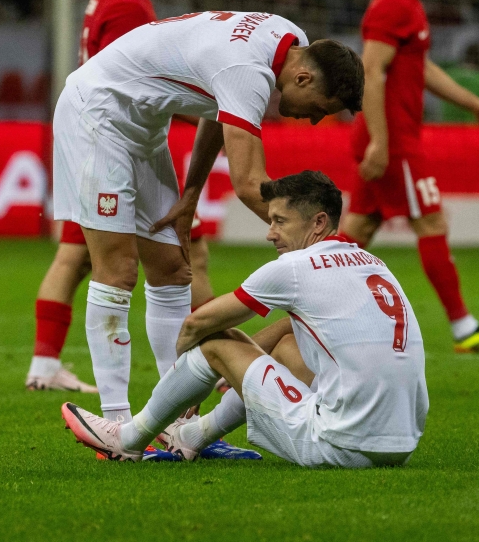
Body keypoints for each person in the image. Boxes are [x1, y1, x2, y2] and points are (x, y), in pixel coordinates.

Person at [53, 6, 364, 428]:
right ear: (303, 78)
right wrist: (320, 253)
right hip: (96, 116)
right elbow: (250, 183)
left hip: (141, 128)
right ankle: (117, 423)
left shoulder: (286, 37)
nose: (313, 119)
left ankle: (173, 420)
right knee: (119, 269)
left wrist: (191, 194)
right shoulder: (249, 69)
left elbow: (220, 108)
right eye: (319, 108)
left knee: (172, 269)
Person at [62, 171, 429, 468]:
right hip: (401, 444)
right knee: (288, 346)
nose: (270, 233)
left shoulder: (295, 268)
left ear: (318, 222)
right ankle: (190, 438)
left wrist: (190, 381)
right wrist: (238, 368)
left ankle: (128, 438)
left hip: (340, 445)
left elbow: (195, 325)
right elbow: (293, 326)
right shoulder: (370, 262)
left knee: (215, 342)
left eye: (280, 221)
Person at [27, 0, 220, 394]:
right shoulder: (130, 5)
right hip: (115, 146)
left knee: (79, 258)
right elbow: (133, 85)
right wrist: (208, 107)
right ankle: (206, 362)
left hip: (107, 142)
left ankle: (46, 362)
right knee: (181, 253)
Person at [338, 0, 479, 353]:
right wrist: (382, 142)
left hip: (388, 136)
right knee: (431, 221)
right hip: (394, 140)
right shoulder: (392, 5)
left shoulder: (408, 5)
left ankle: (303, 307)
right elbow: (372, 72)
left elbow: (421, 68)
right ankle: (464, 328)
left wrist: (474, 104)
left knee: (358, 231)